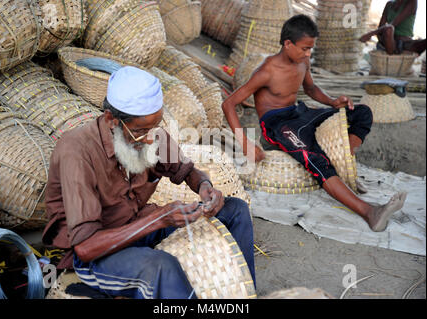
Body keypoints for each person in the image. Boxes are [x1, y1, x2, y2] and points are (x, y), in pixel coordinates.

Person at [42, 66, 255, 299]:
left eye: (156, 126)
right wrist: (159, 218)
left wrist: (205, 186)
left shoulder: (150, 134)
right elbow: (85, 247)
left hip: (139, 227)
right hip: (96, 256)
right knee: (160, 267)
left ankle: (244, 296)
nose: (151, 137)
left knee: (235, 210)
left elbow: (189, 170)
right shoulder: (78, 151)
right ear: (111, 120)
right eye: (141, 131)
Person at [221, 14, 407, 232]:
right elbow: (229, 104)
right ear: (288, 44)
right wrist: (245, 143)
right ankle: (370, 213)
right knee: (316, 160)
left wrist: (332, 102)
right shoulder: (266, 71)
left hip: (300, 113)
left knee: (361, 113)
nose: (308, 54)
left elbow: (310, 89)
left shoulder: (303, 61)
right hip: (277, 125)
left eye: (311, 49)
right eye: (305, 48)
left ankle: (342, 165)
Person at [359, 0, 426, 55]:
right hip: (389, 41)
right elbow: (381, 27)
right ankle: (393, 54)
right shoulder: (389, 4)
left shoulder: (412, 2)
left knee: (389, 28)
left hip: (405, 43)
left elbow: (394, 23)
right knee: (389, 30)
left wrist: (370, 34)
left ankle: (397, 52)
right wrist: (383, 41)